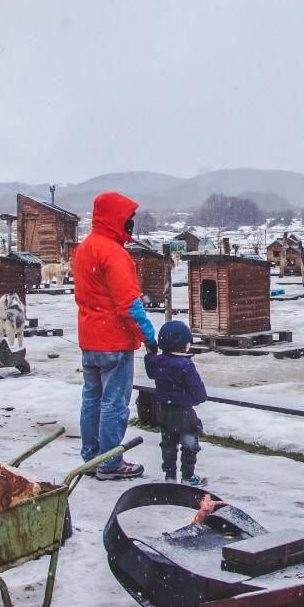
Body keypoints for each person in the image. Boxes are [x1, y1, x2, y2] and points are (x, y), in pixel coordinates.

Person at [72, 192, 157, 480]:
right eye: (128, 220)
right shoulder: (114, 253)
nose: (131, 225)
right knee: (114, 403)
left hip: (89, 339)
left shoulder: (84, 249)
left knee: (91, 400)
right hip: (114, 342)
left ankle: (91, 457)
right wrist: (149, 337)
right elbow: (129, 305)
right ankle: (110, 462)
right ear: (116, 220)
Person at [145, 320, 209, 487]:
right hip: (184, 413)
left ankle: (170, 475)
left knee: (168, 444)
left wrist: (150, 353)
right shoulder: (185, 365)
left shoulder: (157, 362)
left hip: (164, 411)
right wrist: (198, 399)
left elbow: (150, 368)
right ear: (182, 345)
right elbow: (197, 389)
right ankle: (188, 476)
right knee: (189, 444)